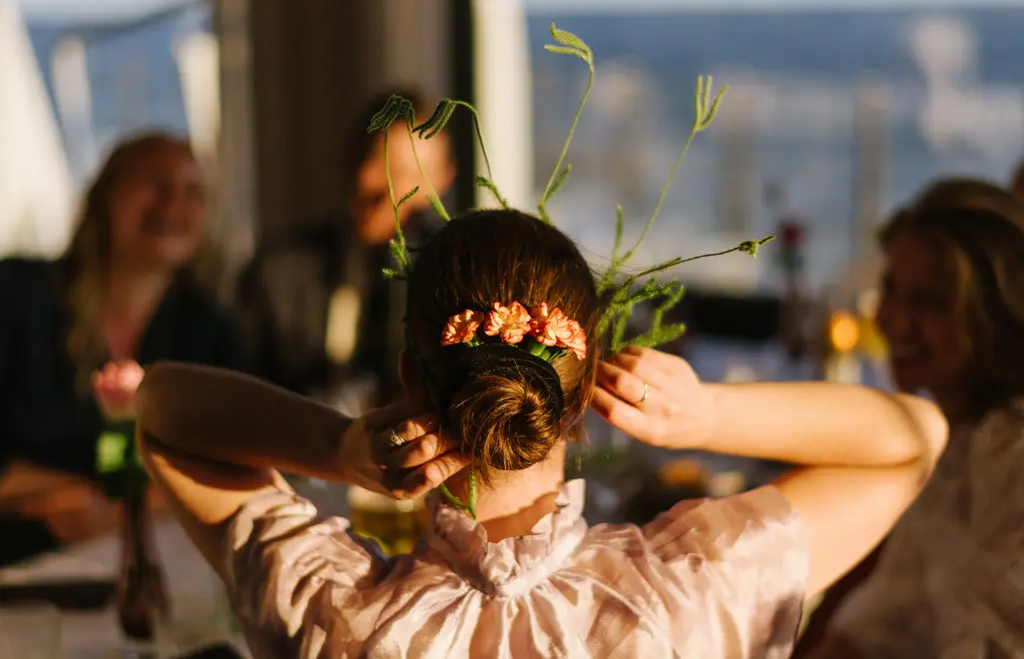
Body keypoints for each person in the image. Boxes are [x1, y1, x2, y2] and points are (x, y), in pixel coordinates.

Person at [137, 208, 946, 658]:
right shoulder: (699, 590)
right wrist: (709, 414)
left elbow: (162, 411)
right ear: (584, 389)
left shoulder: (332, 610)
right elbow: (915, 439)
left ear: (411, 379)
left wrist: (339, 448)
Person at [796, 178, 1024, 658]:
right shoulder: (953, 435)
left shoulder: (1011, 453)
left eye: (930, 303)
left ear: (993, 314)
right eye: (891, 291)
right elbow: (879, 625)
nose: (893, 321)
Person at [0, 132, 248, 565]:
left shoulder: (207, 327)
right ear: (105, 198)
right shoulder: (19, 295)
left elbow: (239, 465)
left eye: (192, 191)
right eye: (156, 183)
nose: (173, 203)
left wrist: (109, 512)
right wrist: (75, 497)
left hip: (153, 562)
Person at [238, 89, 456, 406]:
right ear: (352, 162)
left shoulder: (453, 278)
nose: (392, 193)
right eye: (383, 167)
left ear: (443, 180)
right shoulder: (279, 272)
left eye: (411, 176)